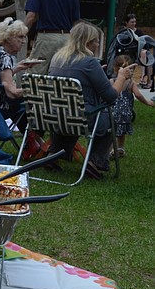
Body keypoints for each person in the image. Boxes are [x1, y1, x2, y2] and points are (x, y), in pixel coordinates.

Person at [48, 21, 134, 180]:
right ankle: (94, 162)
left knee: (71, 110)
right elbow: (110, 96)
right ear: (87, 42)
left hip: (54, 117)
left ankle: (54, 154)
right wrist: (121, 77)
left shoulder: (57, 58)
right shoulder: (89, 62)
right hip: (81, 119)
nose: (97, 44)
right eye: (95, 41)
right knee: (109, 118)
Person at [24, 0, 80, 75]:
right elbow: (76, 20)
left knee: (36, 73)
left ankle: (35, 94)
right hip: (66, 38)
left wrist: (20, 34)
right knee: (63, 74)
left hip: (46, 38)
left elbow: (31, 16)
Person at [110, 55, 154, 158]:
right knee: (122, 132)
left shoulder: (112, 82)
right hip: (126, 113)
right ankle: (120, 148)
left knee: (113, 132)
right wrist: (147, 102)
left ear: (114, 68)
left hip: (112, 112)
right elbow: (138, 95)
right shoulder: (131, 83)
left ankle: (112, 149)